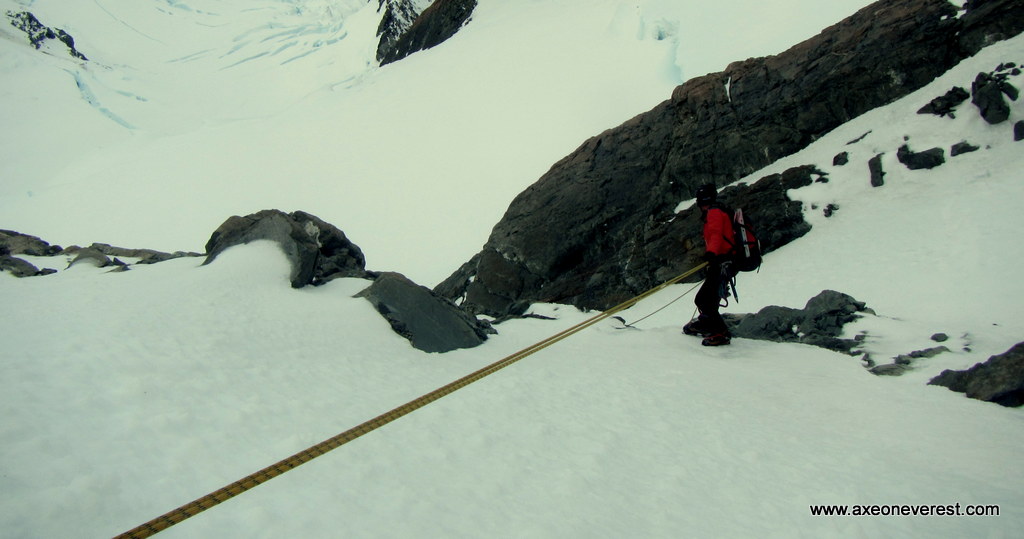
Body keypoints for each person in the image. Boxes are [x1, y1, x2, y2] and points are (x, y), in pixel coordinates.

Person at [683, 184, 735, 346]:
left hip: (722, 261)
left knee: (705, 299)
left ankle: (720, 332)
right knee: (708, 298)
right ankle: (707, 323)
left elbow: (715, 234)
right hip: (725, 261)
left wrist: (711, 254)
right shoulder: (718, 210)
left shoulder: (714, 213)